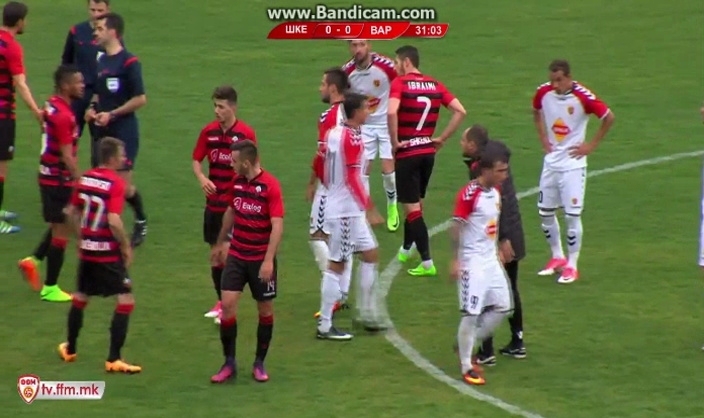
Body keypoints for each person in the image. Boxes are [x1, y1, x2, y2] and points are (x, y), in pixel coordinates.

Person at [57, 136, 141, 374]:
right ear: (112, 158)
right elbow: (113, 220)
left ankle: (70, 348)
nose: (124, 158)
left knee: (81, 296)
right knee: (125, 299)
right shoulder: (116, 183)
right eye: (121, 154)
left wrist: (81, 237)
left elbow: (71, 211)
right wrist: (125, 245)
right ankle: (114, 358)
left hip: (87, 250)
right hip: (107, 253)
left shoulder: (85, 178)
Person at [533, 59, 614, 283]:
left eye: (559, 80)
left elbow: (608, 117)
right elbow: (535, 111)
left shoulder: (583, 97)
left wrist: (591, 146)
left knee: (571, 216)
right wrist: (543, 138)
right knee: (545, 212)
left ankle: (572, 265)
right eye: (552, 80)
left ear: (569, 77)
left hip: (573, 166)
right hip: (551, 163)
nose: (555, 85)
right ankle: (557, 257)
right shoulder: (543, 92)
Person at [388, 45, 466, 277]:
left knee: (412, 210)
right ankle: (405, 249)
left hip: (408, 153)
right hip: (427, 153)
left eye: (396, 62)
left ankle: (427, 263)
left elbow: (391, 112)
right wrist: (441, 138)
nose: (395, 66)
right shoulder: (435, 85)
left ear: (407, 62)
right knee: (414, 204)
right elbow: (460, 111)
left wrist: (395, 141)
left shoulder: (400, 83)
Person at [210, 140, 283, 384]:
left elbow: (277, 225)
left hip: (260, 258)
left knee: (265, 310)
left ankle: (259, 362)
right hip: (238, 255)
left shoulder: (270, 186)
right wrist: (220, 242)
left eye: (234, 161)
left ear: (247, 162)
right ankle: (229, 362)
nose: (230, 164)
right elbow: (231, 211)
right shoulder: (237, 183)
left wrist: (268, 260)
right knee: (228, 305)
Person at [317, 93, 385, 341]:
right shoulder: (352, 139)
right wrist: (370, 208)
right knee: (337, 264)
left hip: (346, 208)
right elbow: (353, 178)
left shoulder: (333, 133)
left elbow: (321, 164)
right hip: (346, 211)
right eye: (366, 108)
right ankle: (325, 325)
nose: (369, 111)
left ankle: (364, 313)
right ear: (356, 112)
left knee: (370, 253)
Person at [460, 125, 527, 364]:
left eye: (464, 140)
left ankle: (486, 351)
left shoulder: (482, 171)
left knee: (489, 291)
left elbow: (497, 206)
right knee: (510, 288)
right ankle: (517, 341)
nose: (461, 144)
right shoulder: (496, 157)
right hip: (512, 230)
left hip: (499, 237)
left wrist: (502, 240)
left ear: (473, 146)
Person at [18, 65, 84, 302]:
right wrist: (80, 180)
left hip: (46, 174)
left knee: (60, 223)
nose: (82, 86)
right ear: (66, 86)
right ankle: (50, 287)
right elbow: (67, 156)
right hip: (59, 178)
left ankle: (33, 260)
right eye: (78, 82)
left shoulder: (51, 105)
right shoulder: (65, 116)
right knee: (62, 232)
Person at [450, 141, 513, 386]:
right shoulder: (469, 194)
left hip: (490, 260)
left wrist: (500, 244)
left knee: (503, 307)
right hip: (472, 262)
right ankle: (467, 366)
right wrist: (455, 260)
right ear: (485, 170)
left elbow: (491, 225)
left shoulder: (495, 192)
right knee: (471, 313)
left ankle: (465, 342)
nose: (504, 175)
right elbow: (456, 226)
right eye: (500, 170)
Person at [193, 85, 256, 324]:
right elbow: (196, 160)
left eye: (221, 107)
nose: (216, 111)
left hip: (234, 206)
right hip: (213, 204)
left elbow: (254, 168)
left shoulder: (245, 134)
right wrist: (202, 178)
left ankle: (230, 308)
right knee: (215, 256)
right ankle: (221, 303)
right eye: (215, 106)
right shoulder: (208, 132)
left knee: (228, 255)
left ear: (233, 108)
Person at [88, 13, 148, 247]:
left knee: (121, 187)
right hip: (102, 132)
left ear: (113, 32)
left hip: (124, 132)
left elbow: (140, 99)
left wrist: (112, 114)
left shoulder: (129, 62)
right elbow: (98, 92)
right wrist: (92, 109)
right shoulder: (101, 60)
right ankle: (106, 228)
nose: (96, 32)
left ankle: (139, 221)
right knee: (103, 180)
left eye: (100, 28)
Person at [307, 67, 354, 318]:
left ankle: (334, 289)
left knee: (317, 238)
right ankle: (342, 294)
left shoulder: (329, 116)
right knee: (344, 239)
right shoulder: (355, 111)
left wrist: (311, 182)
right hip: (352, 185)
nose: (320, 88)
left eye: (323, 84)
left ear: (333, 88)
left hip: (331, 186)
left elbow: (322, 153)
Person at [343, 40, 399, 231]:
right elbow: (344, 100)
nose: (358, 49)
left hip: (386, 124)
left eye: (361, 45)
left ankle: (392, 207)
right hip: (364, 126)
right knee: (361, 171)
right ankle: (364, 212)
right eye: (354, 45)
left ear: (369, 45)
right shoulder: (347, 72)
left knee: (388, 172)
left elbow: (402, 85)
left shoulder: (387, 66)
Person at [0, 1, 43, 233]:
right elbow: (21, 84)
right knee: (1, 167)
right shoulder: (12, 47)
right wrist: (37, 112)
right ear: (19, 22)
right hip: (3, 114)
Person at [61, 0, 117, 165]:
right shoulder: (76, 31)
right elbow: (66, 63)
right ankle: (66, 176)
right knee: (69, 139)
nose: (96, 14)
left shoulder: (112, 35)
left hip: (100, 96)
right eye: (92, 10)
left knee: (99, 144)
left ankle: (97, 177)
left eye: (100, 10)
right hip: (77, 94)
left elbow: (117, 64)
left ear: (108, 9)